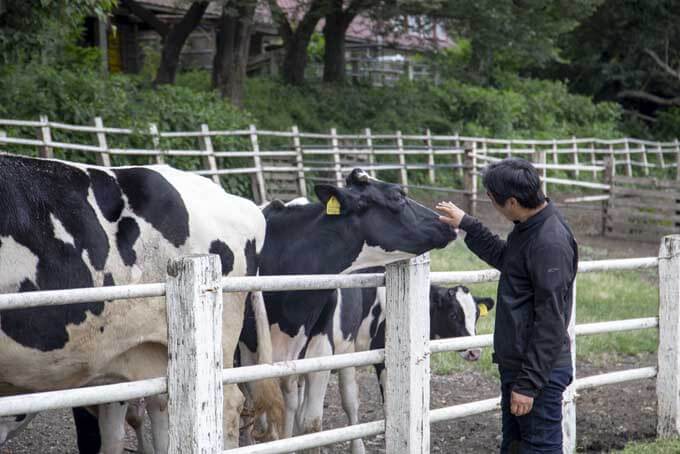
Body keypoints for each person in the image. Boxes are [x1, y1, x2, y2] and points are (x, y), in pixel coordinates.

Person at [436, 158, 577, 454]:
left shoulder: (549, 242)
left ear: (512, 201)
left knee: (540, 449)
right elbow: (509, 260)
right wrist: (467, 224)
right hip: (523, 365)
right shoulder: (529, 226)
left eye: (492, 198)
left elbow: (551, 321)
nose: (491, 202)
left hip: (538, 374)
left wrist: (528, 385)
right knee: (514, 447)